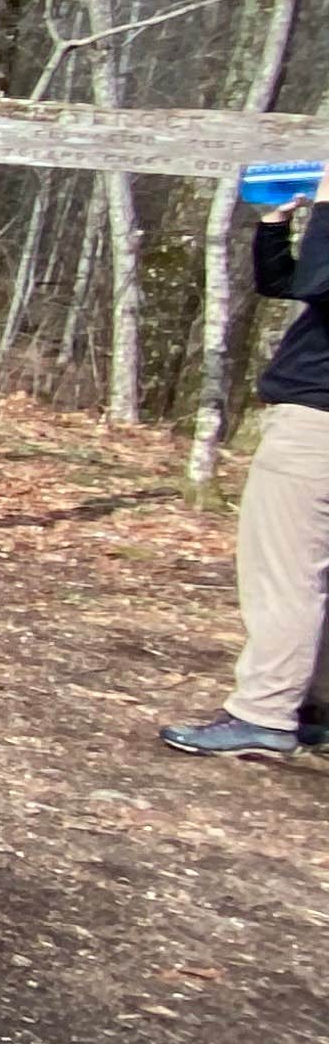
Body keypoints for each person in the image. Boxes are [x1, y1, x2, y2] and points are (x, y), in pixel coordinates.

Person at [167, 182, 329, 757]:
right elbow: (288, 283)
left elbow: (318, 281)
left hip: (318, 425)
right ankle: (313, 708)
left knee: (286, 577)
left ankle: (263, 713)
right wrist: (272, 223)